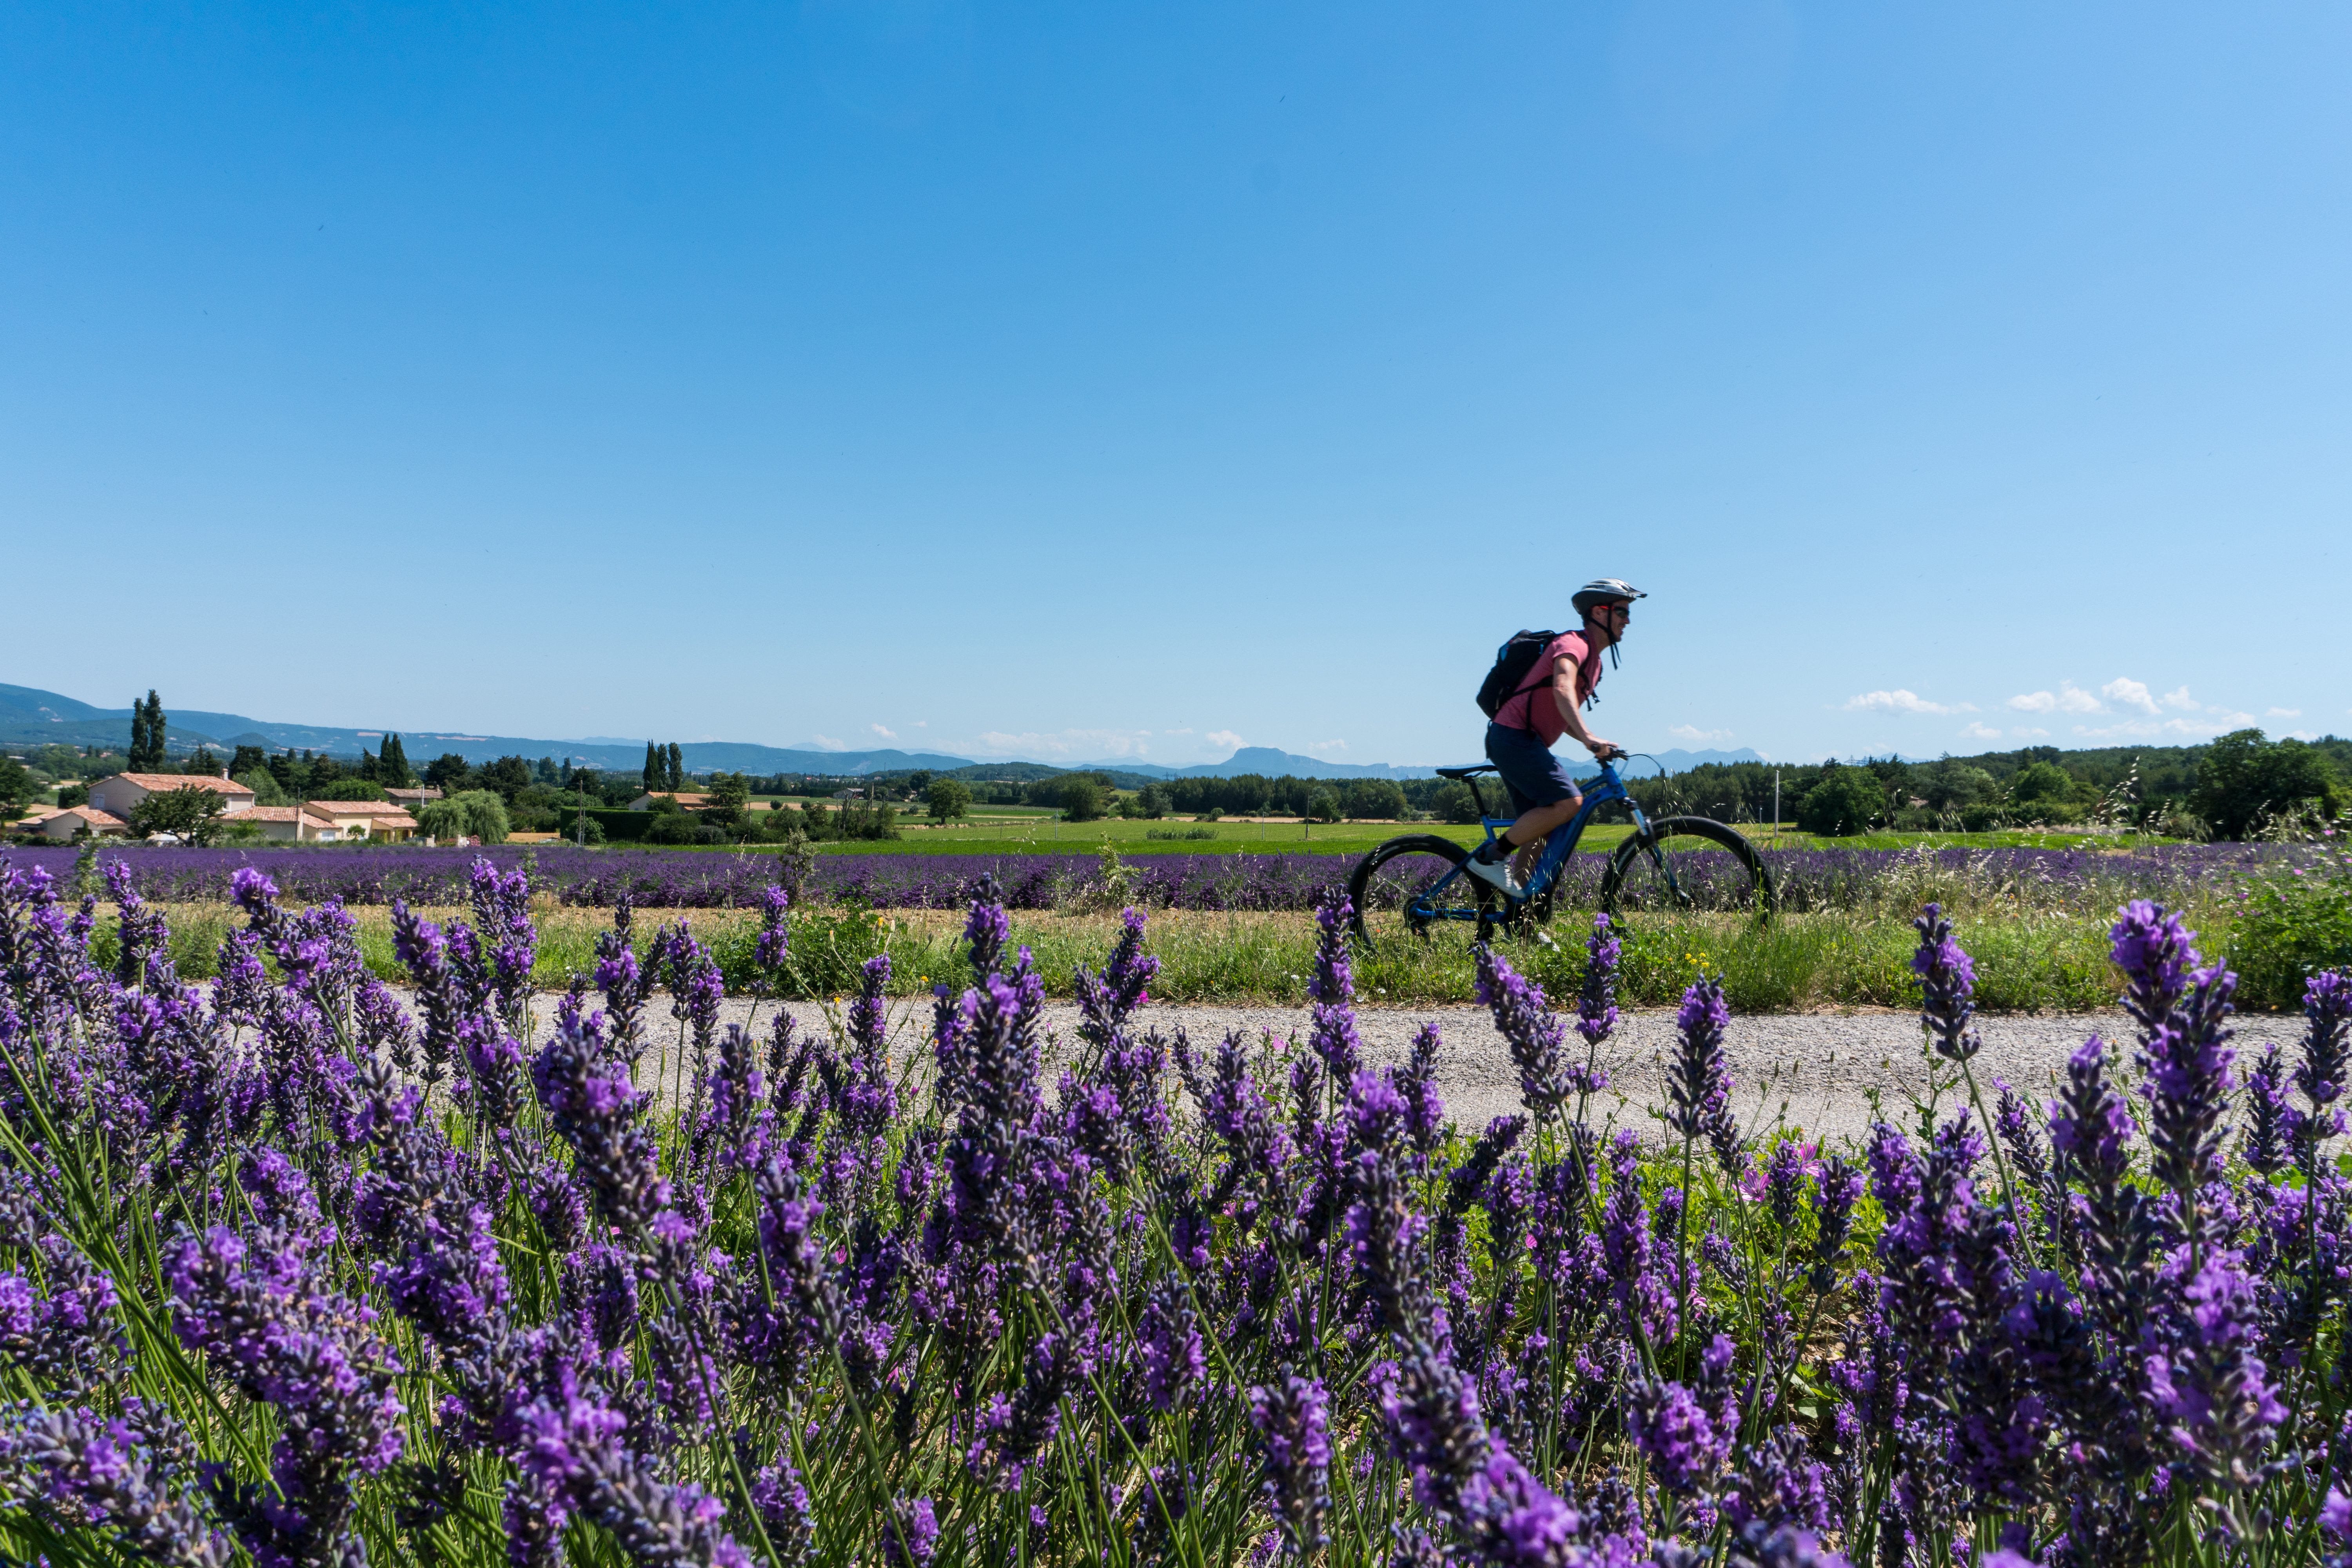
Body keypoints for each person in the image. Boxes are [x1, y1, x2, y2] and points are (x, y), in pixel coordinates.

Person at [1463, 579, 1645, 897]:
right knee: (1569, 802)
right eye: (1622, 612)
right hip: (1513, 737)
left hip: (1521, 741)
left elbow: (1562, 710)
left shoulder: (1596, 663)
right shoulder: (1574, 644)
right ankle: (1491, 858)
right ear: (1600, 613)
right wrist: (1588, 737)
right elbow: (1562, 688)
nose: (1628, 620)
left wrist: (1592, 739)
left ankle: (1519, 916)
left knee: (1542, 827)